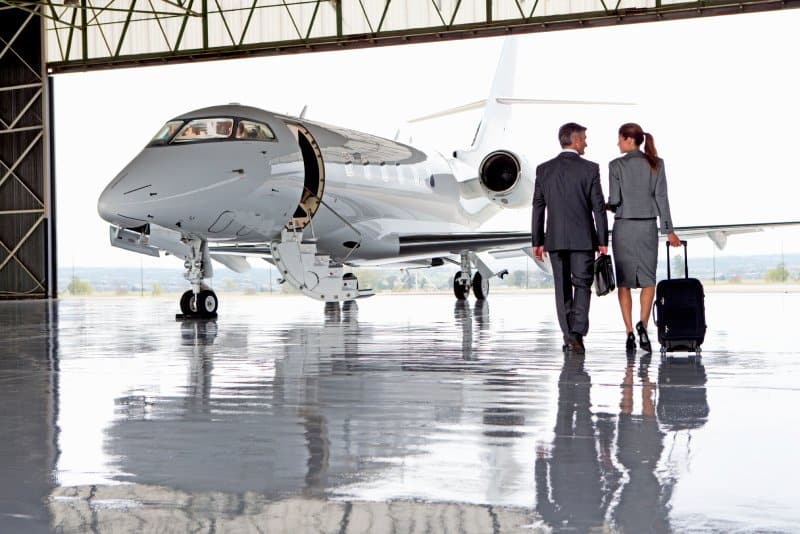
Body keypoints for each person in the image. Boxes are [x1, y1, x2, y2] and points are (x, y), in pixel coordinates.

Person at [532, 122, 608, 354]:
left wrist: (537, 240)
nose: (586, 142)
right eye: (584, 138)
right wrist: (603, 240)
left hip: (554, 239)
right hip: (583, 239)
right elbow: (599, 208)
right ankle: (576, 333)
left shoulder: (543, 169)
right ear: (574, 140)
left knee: (562, 287)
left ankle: (569, 336)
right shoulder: (590, 169)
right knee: (582, 284)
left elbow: (538, 206)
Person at [607, 123, 681, 352]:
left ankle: (629, 332)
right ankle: (643, 325)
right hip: (648, 227)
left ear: (629, 140)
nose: (617, 143)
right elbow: (662, 198)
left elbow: (615, 199)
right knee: (649, 280)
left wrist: (604, 205)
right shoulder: (657, 164)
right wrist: (669, 230)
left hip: (624, 227)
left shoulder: (615, 165)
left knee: (624, 283)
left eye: (619, 139)